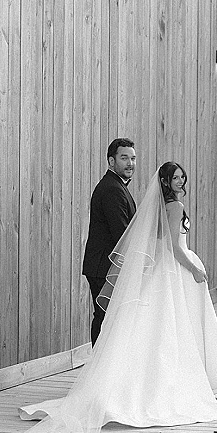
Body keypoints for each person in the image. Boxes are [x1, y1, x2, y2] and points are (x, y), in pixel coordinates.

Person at [18, 162, 217, 433]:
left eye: (182, 176)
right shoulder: (174, 207)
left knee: (159, 326)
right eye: (175, 177)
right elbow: (174, 247)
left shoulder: (161, 206)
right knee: (172, 326)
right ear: (165, 181)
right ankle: (170, 386)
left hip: (165, 269)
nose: (180, 180)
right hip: (175, 269)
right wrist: (195, 270)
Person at [82, 138, 137, 345]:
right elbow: (122, 234)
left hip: (104, 266)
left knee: (107, 319)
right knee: (105, 319)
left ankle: (101, 368)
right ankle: (99, 369)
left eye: (133, 158)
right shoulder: (113, 189)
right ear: (111, 161)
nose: (130, 163)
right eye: (124, 158)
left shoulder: (116, 186)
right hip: (104, 267)